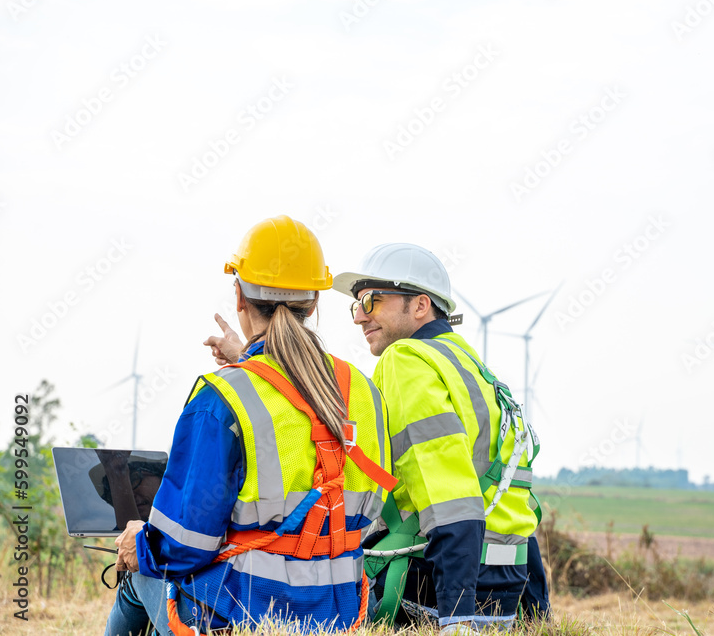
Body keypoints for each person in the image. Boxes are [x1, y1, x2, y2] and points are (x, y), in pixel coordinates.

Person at [105, 216, 394, 635]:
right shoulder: (364, 392)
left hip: (239, 617)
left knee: (139, 570)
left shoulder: (223, 398)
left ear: (239, 296)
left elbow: (183, 546)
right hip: (339, 617)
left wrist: (140, 541)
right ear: (314, 303)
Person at [332, 243, 549, 630]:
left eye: (371, 301)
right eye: (356, 305)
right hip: (505, 584)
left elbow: (450, 500)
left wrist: (458, 619)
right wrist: (538, 613)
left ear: (419, 305)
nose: (359, 317)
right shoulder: (469, 363)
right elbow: (511, 497)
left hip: (439, 586)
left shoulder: (406, 360)